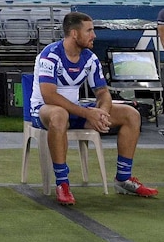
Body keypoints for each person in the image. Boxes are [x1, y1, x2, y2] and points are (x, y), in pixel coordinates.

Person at [29, 11, 158, 205]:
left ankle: (123, 179)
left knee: (131, 114)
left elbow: (102, 92)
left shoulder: (90, 58)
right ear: (74, 34)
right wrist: (88, 112)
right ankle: (62, 183)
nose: (94, 35)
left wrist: (102, 113)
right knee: (59, 115)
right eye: (89, 31)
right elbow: (50, 96)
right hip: (44, 110)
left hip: (76, 110)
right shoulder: (50, 55)